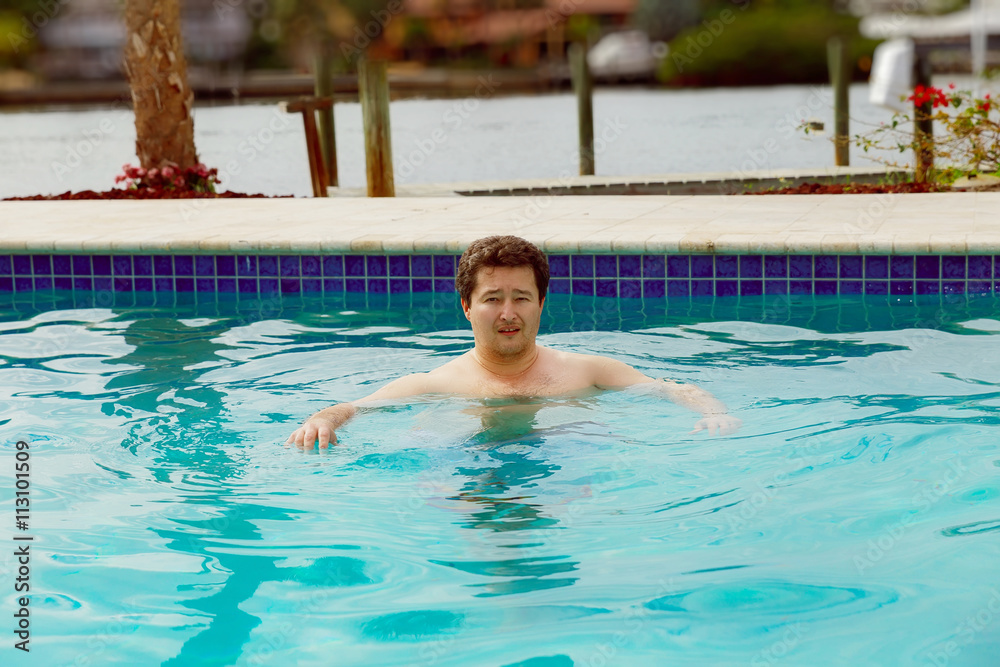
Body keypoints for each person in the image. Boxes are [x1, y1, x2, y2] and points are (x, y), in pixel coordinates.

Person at [287, 235, 742, 448]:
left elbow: (671, 388)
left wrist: (714, 413)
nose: (508, 313)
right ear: (466, 306)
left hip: (568, 473)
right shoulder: (437, 383)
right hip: (467, 473)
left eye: (521, 297)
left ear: (541, 302)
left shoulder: (588, 371)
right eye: (492, 299)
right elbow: (351, 408)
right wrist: (321, 421)